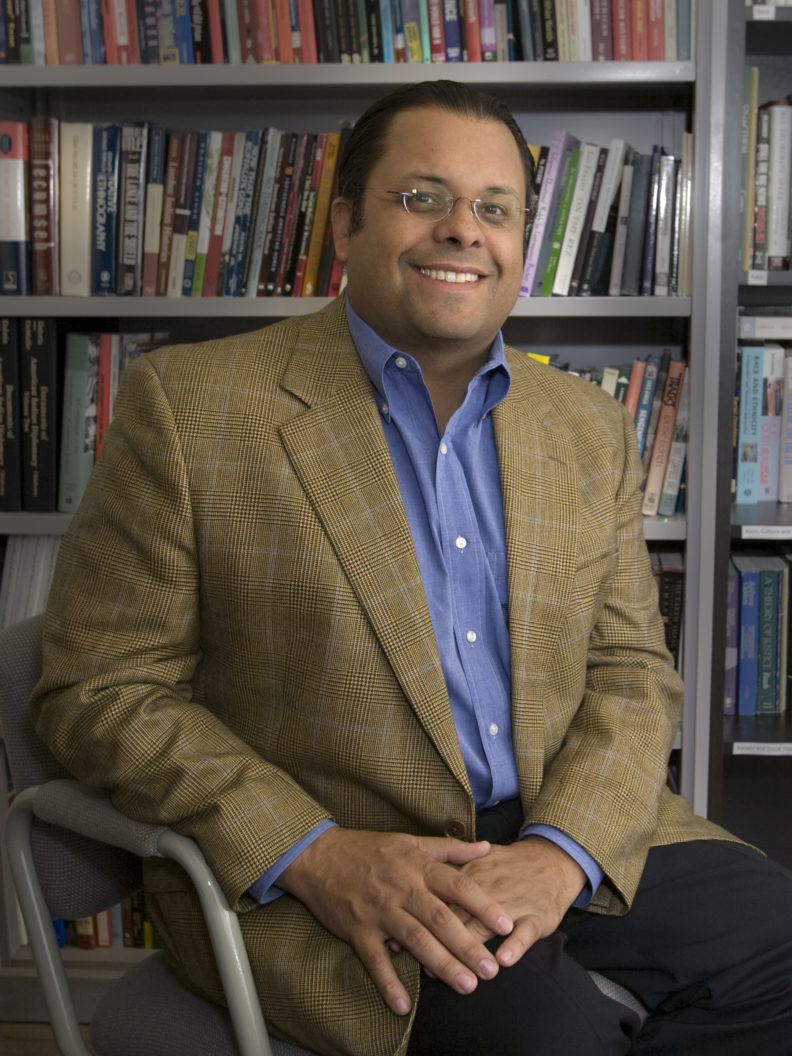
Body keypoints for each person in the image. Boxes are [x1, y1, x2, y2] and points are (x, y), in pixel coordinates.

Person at [31, 80, 792, 1056]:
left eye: (494, 207)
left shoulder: (587, 429)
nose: (462, 231)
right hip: (340, 853)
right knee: (558, 1036)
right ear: (346, 220)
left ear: (523, 239)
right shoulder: (189, 409)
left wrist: (561, 854)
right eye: (421, 197)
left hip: (554, 816)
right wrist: (316, 853)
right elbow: (100, 689)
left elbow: (632, 676)